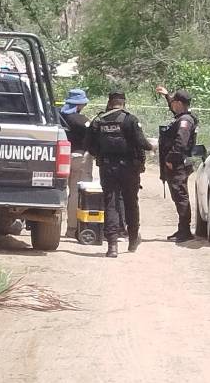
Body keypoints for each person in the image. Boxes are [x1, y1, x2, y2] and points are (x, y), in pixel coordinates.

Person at [85, 90, 153, 258]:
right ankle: (132, 240)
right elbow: (141, 143)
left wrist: (102, 154)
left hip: (107, 167)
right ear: (124, 103)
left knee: (110, 204)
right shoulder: (130, 120)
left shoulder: (98, 121)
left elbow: (89, 145)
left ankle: (112, 246)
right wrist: (152, 146)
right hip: (129, 168)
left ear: (109, 102)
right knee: (131, 202)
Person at [155, 86, 198, 243]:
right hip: (177, 164)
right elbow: (175, 111)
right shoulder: (182, 117)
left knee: (180, 196)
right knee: (178, 196)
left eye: (174, 101)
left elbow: (181, 141)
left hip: (178, 165)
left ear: (179, 103)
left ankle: (185, 231)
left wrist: (171, 159)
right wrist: (166, 96)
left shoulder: (185, 121)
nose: (172, 103)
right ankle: (182, 229)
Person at [59, 88, 94, 238]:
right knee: (75, 193)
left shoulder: (57, 117)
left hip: (58, 157)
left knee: (58, 192)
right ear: (79, 105)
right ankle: (72, 229)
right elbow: (93, 135)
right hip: (79, 157)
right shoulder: (82, 120)